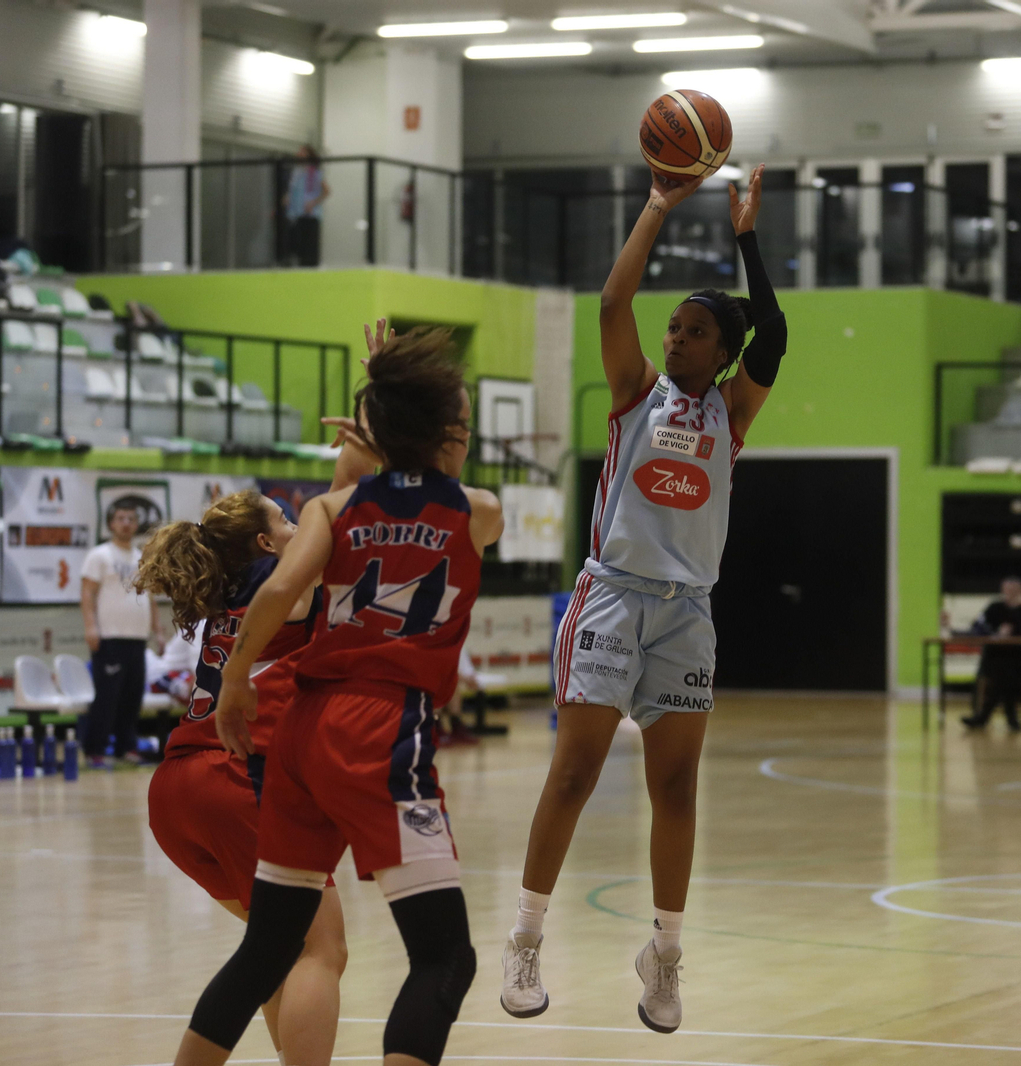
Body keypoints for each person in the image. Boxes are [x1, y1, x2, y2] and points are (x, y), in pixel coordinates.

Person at [166, 327, 503, 1066]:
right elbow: (426, 495)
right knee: (445, 958)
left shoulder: (328, 512)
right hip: (382, 731)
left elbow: (280, 589)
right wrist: (391, 444)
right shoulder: (478, 509)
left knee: (267, 947)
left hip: (299, 734)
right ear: (449, 437)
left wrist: (231, 682)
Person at [500, 163, 786, 1034]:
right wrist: (659, 205)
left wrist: (747, 238)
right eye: (674, 326)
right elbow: (611, 303)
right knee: (576, 772)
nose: (675, 338)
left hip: (687, 612)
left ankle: (664, 955)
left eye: (694, 331)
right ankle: (525, 935)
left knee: (679, 789)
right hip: (615, 598)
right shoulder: (635, 397)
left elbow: (773, 332)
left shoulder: (732, 414)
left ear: (721, 352)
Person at [136, 489, 354, 1066]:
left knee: (274, 948)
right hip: (234, 782)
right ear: (265, 542)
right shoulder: (284, 580)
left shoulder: (232, 593)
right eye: (284, 518)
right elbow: (338, 505)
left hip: (176, 788)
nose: (296, 523)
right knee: (322, 949)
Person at [80, 502, 160, 767]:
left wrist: (157, 631)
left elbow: (150, 599)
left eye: (131, 518)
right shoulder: (99, 555)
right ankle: (95, 750)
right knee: (107, 696)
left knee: (132, 697)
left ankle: (126, 747)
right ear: (111, 524)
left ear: (136, 524)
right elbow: (87, 593)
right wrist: (91, 626)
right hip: (110, 638)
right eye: (120, 518)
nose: (126, 523)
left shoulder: (142, 557)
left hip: (137, 638)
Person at [961, 577, 1021, 733]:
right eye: (1007, 590)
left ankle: (983, 717)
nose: (1010, 594)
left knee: (1005, 673)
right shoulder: (994, 607)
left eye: (1014, 591)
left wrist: (1011, 627)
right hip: (994, 658)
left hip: (1018, 658)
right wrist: (998, 632)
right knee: (1003, 673)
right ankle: (1011, 718)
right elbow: (979, 626)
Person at [283, 145, 329, 268]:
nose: (299, 154)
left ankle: (311, 267)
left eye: (303, 152)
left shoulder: (314, 172)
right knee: (297, 245)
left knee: (309, 247)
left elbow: (326, 190)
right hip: (296, 214)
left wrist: (313, 202)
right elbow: (293, 190)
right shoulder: (296, 171)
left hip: (310, 214)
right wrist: (287, 199)